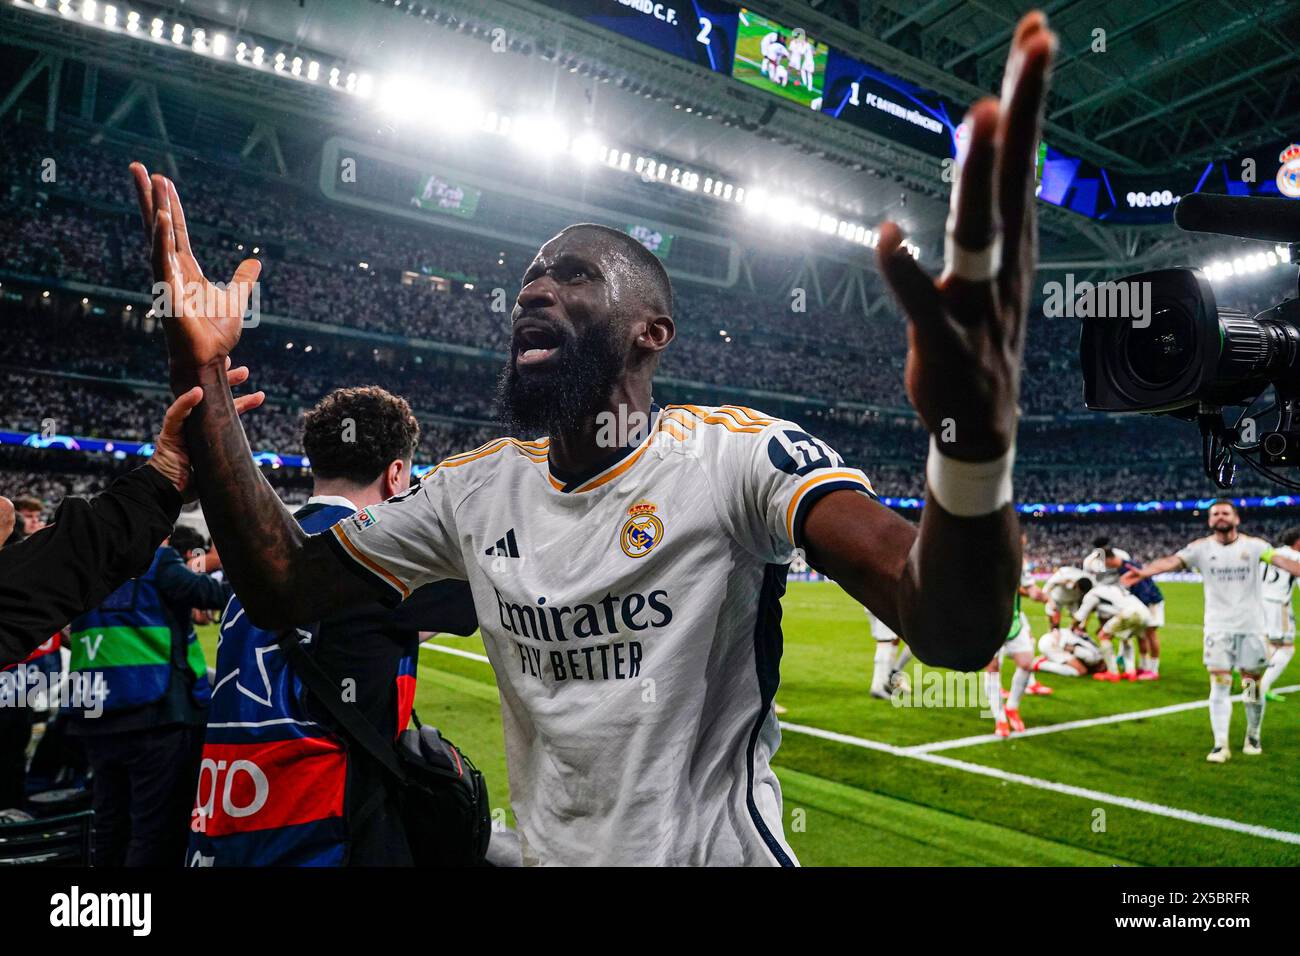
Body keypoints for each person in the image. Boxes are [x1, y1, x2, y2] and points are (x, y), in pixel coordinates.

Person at [133, 12, 1057, 865]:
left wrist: (971, 445)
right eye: (531, 279)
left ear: (653, 331)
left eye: (573, 277)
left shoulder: (736, 458)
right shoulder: (473, 491)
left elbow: (954, 627)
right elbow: (282, 579)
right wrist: (203, 373)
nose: (534, 291)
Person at [189, 386, 478, 866]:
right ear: (396, 476)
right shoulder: (388, 559)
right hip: (321, 835)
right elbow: (509, 591)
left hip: (223, 824)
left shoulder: (254, 557)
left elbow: (361, 629)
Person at [0, 367, 263, 669]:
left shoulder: (116, 563)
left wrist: (163, 479)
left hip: (87, 700)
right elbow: (211, 593)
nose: (7, 511)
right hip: (157, 699)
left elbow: (56, 571)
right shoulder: (161, 563)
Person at [65, 522, 232, 867]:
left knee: (111, 824)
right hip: (155, 716)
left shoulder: (83, 567)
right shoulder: (158, 561)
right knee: (154, 829)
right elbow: (213, 596)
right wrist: (231, 562)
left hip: (95, 714)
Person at [1124, 500, 1300, 762]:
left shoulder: (1254, 547)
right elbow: (1173, 561)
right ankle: (1220, 744)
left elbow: (1281, 560)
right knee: (1219, 684)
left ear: (1236, 519)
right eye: (1215, 513)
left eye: (1225, 512)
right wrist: (1143, 572)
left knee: (1251, 684)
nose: (1220, 516)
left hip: (1252, 628)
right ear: (1209, 520)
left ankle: (1253, 734)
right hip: (1217, 629)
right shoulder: (1200, 549)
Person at [1071, 578, 1151, 682]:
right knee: (1126, 638)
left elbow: (1079, 617)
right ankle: (1130, 672)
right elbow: (1109, 612)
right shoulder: (1106, 590)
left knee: (1103, 636)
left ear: (1081, 589)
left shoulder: (1091, 595)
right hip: (1144, 613)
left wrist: (1071, 628)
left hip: (1130, 613)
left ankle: (1112, 673)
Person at [1103, 548, 1164, 680]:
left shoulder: (1129, 567)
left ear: (1110, 559)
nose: (1105, 566)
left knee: (1150, 633)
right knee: (1141, 635)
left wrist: (1143, 606)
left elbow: (1145, 587)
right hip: (1140, 605)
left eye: (1105, 563)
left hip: (1151, 602)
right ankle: (1143, 666)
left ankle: (1153, 670)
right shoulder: (1121, 569)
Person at [1259, 527, 1299, 702]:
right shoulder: (1296, 558)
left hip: (1258, 604)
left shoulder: (1271, 553)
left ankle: (1251, 692)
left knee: (1265, 647)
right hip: (1277, 606)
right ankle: (1262, 687)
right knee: (1286, 648)